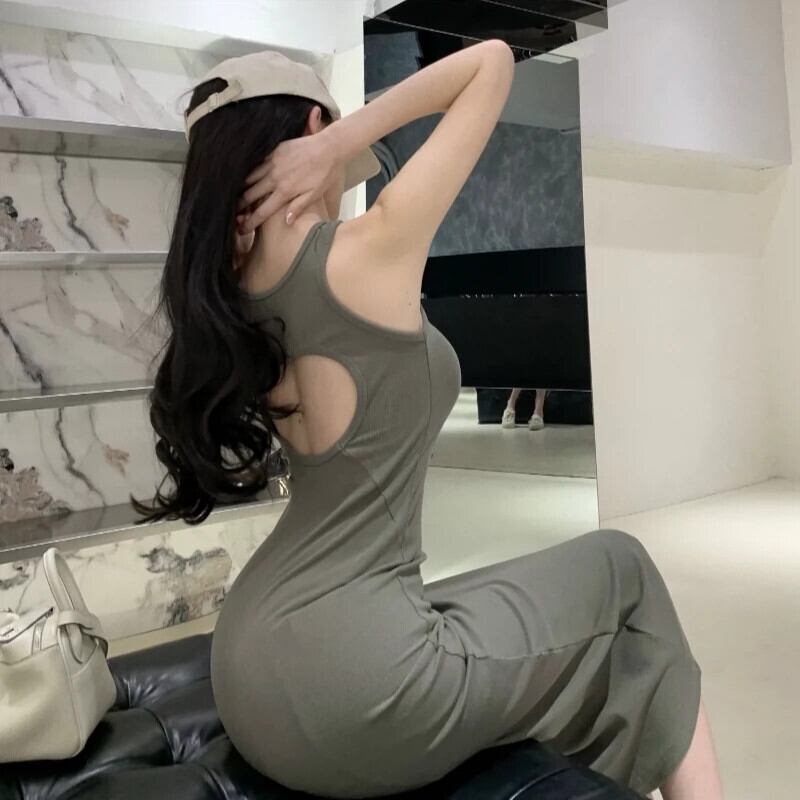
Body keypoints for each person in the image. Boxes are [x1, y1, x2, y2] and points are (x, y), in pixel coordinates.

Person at [135, 44, 724, 800]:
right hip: (354, 691)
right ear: (313, 130)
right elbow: (491, 63)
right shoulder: (365, 252)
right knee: (626, 568)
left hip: (249, 667)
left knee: (476, 596)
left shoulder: (231, 292)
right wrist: (340, 143)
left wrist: (328, 147)